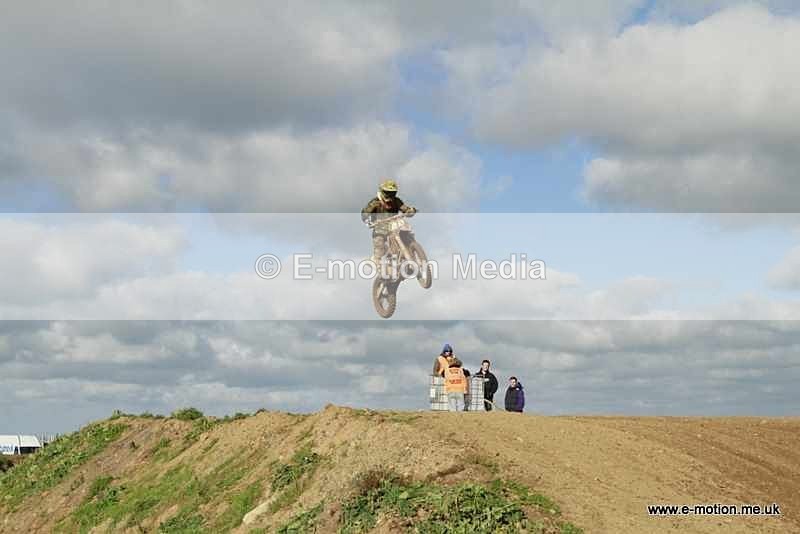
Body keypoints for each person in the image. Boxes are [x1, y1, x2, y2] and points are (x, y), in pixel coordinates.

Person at [361, 179, 417, 264]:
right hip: (380, 227)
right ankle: (377, 263)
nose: (390, 195)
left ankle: (414, 255)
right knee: (379, 244)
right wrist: (367, 219)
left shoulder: (396, 201)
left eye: (392, 193)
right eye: (388, 192)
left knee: (409, 235)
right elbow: (365, 213)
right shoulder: (375, 202)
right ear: (382, 192)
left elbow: (404, 208)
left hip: (395, 225)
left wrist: (410, 210)